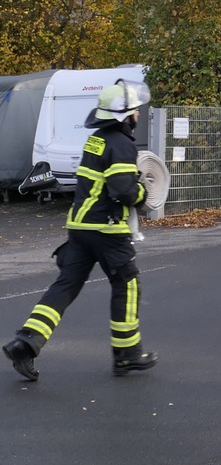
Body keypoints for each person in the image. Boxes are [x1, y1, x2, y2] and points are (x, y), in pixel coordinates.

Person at [3, 80, 158, 381]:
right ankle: (126, 356)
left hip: (80, 227)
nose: (137, 115)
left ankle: (26, 342)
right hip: (107, 230)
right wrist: (144, 191)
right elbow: (124, 191)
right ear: (125, 116)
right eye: (135, 111)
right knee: (127, 285)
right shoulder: (122, 144)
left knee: (65, 286)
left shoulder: (97, 139)